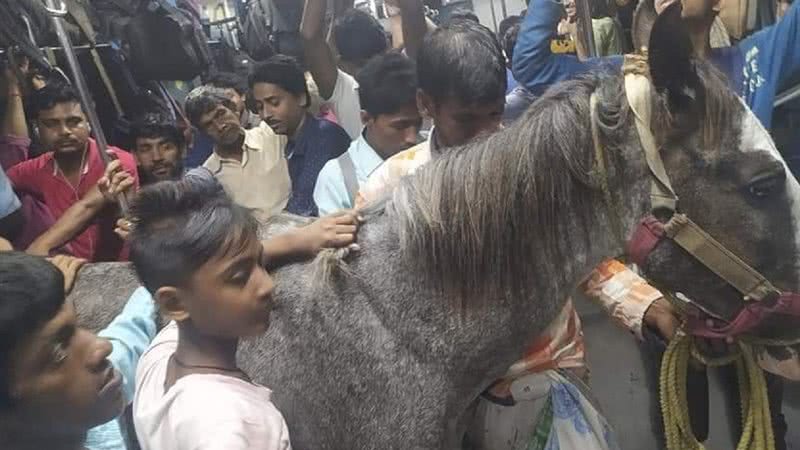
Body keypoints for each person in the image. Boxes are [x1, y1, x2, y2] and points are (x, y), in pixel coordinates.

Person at [359, 19, 618, 450]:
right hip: (450, 403)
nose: (485, 136)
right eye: (466, 120)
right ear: (427, 104)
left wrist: (643, 306)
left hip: (549, 380)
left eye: (494, 115)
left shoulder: (536, 166)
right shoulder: (388, 190)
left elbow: (581, 251)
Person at [129, 171, 359, 450]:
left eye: (259, 263)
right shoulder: (232, 427)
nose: (266, 285)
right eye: (239, 278)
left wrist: (293, 242)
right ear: (174, 304)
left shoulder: (156, 363)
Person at [0, 252, 156, 450]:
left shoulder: (85, 412)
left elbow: (129, 335)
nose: (103, 347)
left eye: (77, 326)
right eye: (58, 353)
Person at [2, 82, 139, 261]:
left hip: (118, 270)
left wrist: (38, 248)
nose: (64, 131)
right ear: (36, 129)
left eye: (74, 122)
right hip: (69, 271)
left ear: (88, 122)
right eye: (52, 124)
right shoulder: (34, 170)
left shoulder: (115, 160)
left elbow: (87, 207)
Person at [314, 51, 421, 215]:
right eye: (400, 126)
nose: (412, 138)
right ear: (366, 118)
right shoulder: (338, 178)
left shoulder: (433, 154)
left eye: (417, 124)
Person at [249, 55, 351, 216]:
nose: (266, 114)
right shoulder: (291, 142)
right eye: (259, 107)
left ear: (301, 98)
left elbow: (304, 208)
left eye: (274, 103)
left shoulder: (324, 137)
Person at [184, 86, 291, 222]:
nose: (220, 126)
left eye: (220, 114)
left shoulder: (271, 136)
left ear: (234, 109)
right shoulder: (211, 175)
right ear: (203, 133)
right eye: (208, 124)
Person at [301, 1, 389, 139]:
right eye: (363, 64)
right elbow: (310, 35)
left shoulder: (344, 90)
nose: (372, 71)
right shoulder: (345, 90)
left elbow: (310, 36)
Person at [131, 114, 186, 185]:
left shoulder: (200, 187)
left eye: (166, 147)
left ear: (182, 150)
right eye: (146, 150)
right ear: (135, 157)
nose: (157, 157)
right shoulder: (132, 194)